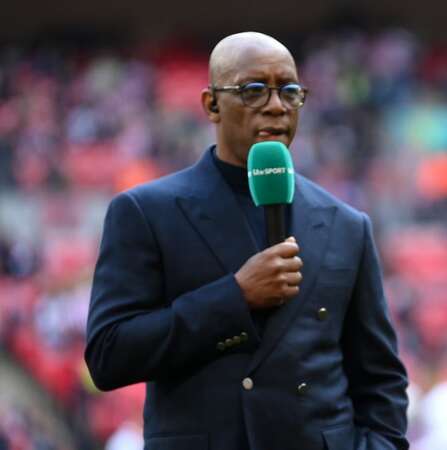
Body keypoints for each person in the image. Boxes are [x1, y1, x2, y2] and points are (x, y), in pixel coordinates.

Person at [85, 32, 409, 450]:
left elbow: (381, 378)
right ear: (211, 105)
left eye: (289, 91)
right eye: (254, 90)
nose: (276, 105)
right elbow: (109, 357)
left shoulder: (347, 224)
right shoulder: (146, 212)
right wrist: (235, 298)